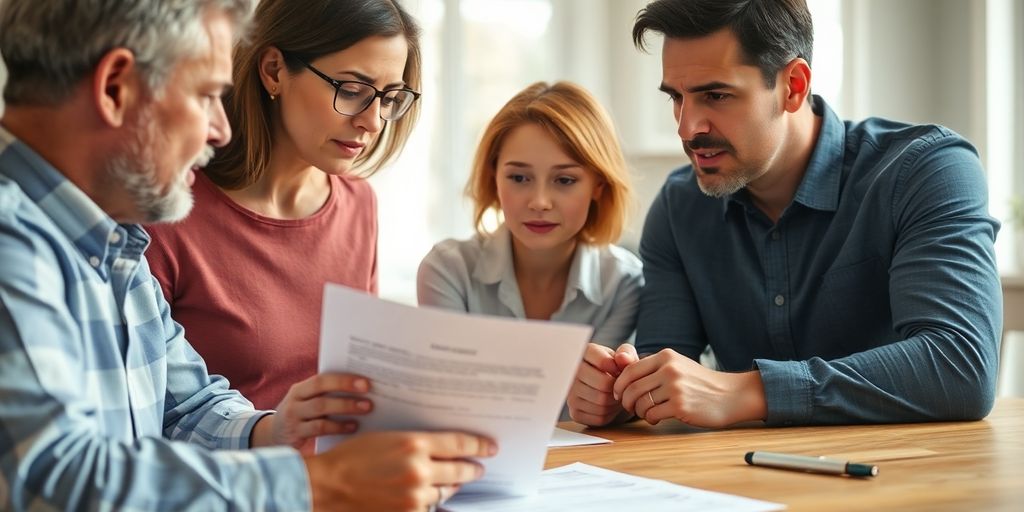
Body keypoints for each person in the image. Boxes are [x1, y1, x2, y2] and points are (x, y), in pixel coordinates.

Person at [0, 1, 493, 510]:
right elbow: (50, 477)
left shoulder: (113, 243)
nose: (220, 129)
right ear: (114, 88)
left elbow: (186, 406)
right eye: (206, 95)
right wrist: (323, 483)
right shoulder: (12, 242)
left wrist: (275, 430)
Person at [567, 0, 1002, 429]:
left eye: (715, 95)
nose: (687, 127)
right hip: (747, 485)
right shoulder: (680, 206)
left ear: (793, 85)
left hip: (908, 478)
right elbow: (666, 362)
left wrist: (746, 392)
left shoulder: (926, 170)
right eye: (676, 98)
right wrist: (623, 394)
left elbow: (960, 365)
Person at [145, 0, 420, 421]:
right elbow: (152, 410)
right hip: (230, 478)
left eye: (389, 98)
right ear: (273, 70)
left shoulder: (358, 204)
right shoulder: (169, 211)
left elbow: (360, 378)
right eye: (351, 90)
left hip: (343, 476)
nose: (374, 122)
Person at [417, 81, 642, 357]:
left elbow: (593, 398)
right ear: (494, 177)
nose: (539, 202)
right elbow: (449, 392)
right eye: (519, 178)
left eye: (564, 180)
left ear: (598, 185)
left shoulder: (624, 284)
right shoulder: (448, 271)